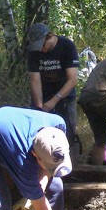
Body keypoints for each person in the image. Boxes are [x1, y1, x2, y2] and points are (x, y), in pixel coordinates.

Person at [25, 23, 80, 156]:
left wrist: (54, 101)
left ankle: (70, 163)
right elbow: (35, 80)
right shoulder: (33, 52)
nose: (40, 51)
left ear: (50, 37)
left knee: (68, 130)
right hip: (43, 94)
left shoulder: (67, 46)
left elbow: (73, 79)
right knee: (38, 131)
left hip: (65, 96)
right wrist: (39, 107)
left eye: (42, 46)